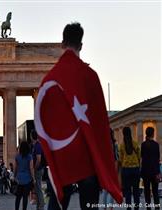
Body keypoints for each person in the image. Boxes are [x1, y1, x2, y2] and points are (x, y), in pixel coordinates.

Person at [34, 22, 122, 210]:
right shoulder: (90, 76)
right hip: (86, 155)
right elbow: (100, 123)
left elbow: (44, 121)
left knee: (58, 203)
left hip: (62, 153)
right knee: (89, 203)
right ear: (81, 45)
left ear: (62, 43)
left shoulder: (49, 79)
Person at [119, 127, 140, 209]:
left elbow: (120, 159)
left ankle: (128, 207)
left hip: (126, 170)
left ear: (123, 134)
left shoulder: (121, 145)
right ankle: (137, 207)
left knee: (127, 191)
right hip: (135, 169)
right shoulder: (135, 143)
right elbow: (139, 155)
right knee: (136, 191)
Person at [141, 127, 160, 210]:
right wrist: (158, 172)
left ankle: (148, 208)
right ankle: (157, 208)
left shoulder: (143, 145)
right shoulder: (156, 145)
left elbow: (142, 157)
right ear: (153, 134)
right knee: (155, 193)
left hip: (145, 172)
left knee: (147, 192)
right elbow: (157, 159)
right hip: (154, 171)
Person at [14, 141, 35, 210]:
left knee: (18, 197)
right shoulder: (29, 156)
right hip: (27, 179)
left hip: (19, 179)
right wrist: (33, 178)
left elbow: (15, 167)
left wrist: (14, 176)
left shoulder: (17, 156)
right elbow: (31, 168)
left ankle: (16, 209)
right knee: (25, 197)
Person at [102, 129, 119, 210]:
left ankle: (104, 207)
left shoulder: (103, 144)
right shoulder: (114, 144)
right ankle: (110, 207)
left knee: (105, 189)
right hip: (112, 168)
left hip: (104, 169)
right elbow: (116, 158)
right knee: (111, 189)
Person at [31, 129, 45, 210]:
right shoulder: (35, 145)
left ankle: (41, 206)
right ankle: (39, 205)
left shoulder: (38, 145)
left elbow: (38, 159)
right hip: (38, 169)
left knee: (38, 188)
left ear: (32, 137)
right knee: (37, 188)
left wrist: (34, 168)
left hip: (38, 170)